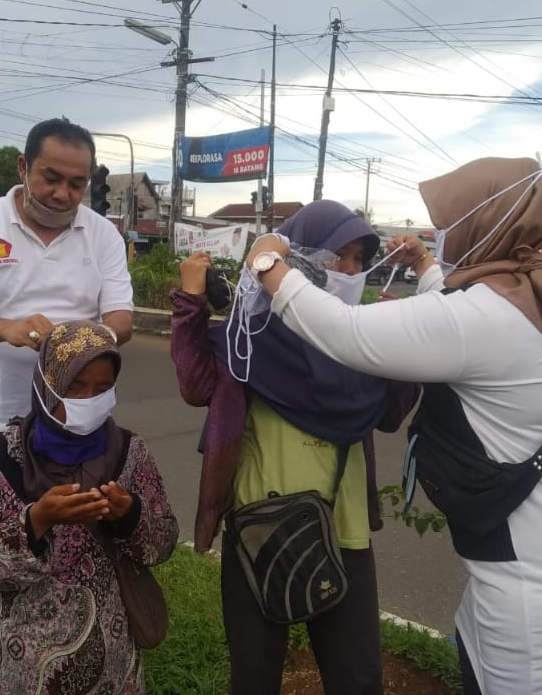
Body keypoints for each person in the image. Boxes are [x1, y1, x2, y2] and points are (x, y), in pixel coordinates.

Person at [244, 158, 542, 695]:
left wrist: (269, 261)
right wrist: (428, 265)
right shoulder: (531, 291)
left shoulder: (482, 315)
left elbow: (345, 331)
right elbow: (458, 317)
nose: (443, 232)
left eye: (451, 222)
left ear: (486, 224)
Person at [171, 199, 420, 695]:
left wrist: (406, 339)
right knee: (255, 679)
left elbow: (391, 415)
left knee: (358, 679)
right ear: (299, 255)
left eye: (358, 259)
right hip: (259, 530)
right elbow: (197, 386)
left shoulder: (362, 338)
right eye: (338, 256)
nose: (349, 271)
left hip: (341, 529)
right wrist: (189, 301)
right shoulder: (251, 335)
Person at [0, 320, 179, 695]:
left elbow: (163, 541)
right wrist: (35, 521)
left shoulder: (129, 453)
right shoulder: (2, 460)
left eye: (102, 389)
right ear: (47, 385)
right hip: (23, 674)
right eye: (75, 387)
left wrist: (130, 515)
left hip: (114, 674)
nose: (88, 400)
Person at [0, 118, 135, 462]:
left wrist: (87, 338)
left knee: (76, 512)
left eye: (77, 184)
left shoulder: (103, 234)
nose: (63, 194)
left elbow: (122, 321)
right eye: (51, 178)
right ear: (23, 167)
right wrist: (7, 328)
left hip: (77, 417)